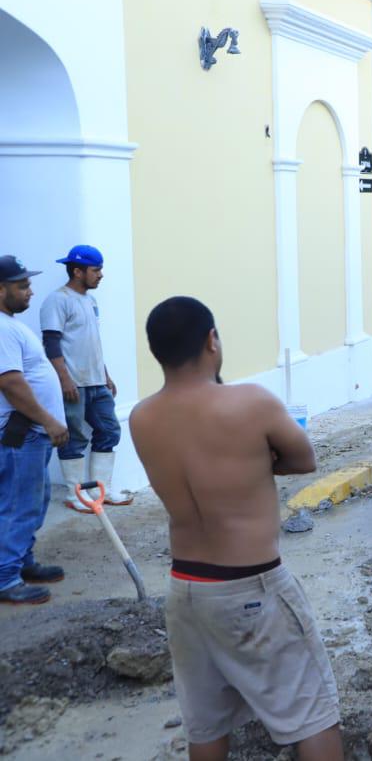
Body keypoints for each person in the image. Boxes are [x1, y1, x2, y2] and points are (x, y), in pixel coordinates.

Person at [130, 297, 341, 760]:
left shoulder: (141, 418)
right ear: (211, 341)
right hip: (252, 588)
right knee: (313, 714)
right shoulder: (251, 401)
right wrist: (255, 460)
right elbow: (304, 458)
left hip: (185, 590)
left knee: (205, 724)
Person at [0, 255, 69, 606]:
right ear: (1, 289)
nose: (30, 291)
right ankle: (5, 577)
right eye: (22, 285)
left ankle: (21, 562)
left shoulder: (10, 325)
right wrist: (49, 419)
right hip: (22, 432)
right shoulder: (1, 328)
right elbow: (11, 383)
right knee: (17, 505)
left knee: (32, 502)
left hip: (30, 434)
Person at [40, 245, 125, 511]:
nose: (100, 275)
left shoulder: (91, 301)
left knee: (109, 430)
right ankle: (75, 494)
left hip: (97, 381)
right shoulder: (58, 300)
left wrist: (106, 375)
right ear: (77, 271)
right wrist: (64, 379)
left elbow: (91, 341)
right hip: (73, 383)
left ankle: (102, 490)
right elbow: (51, 342)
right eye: (95, 270)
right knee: (74, 437)